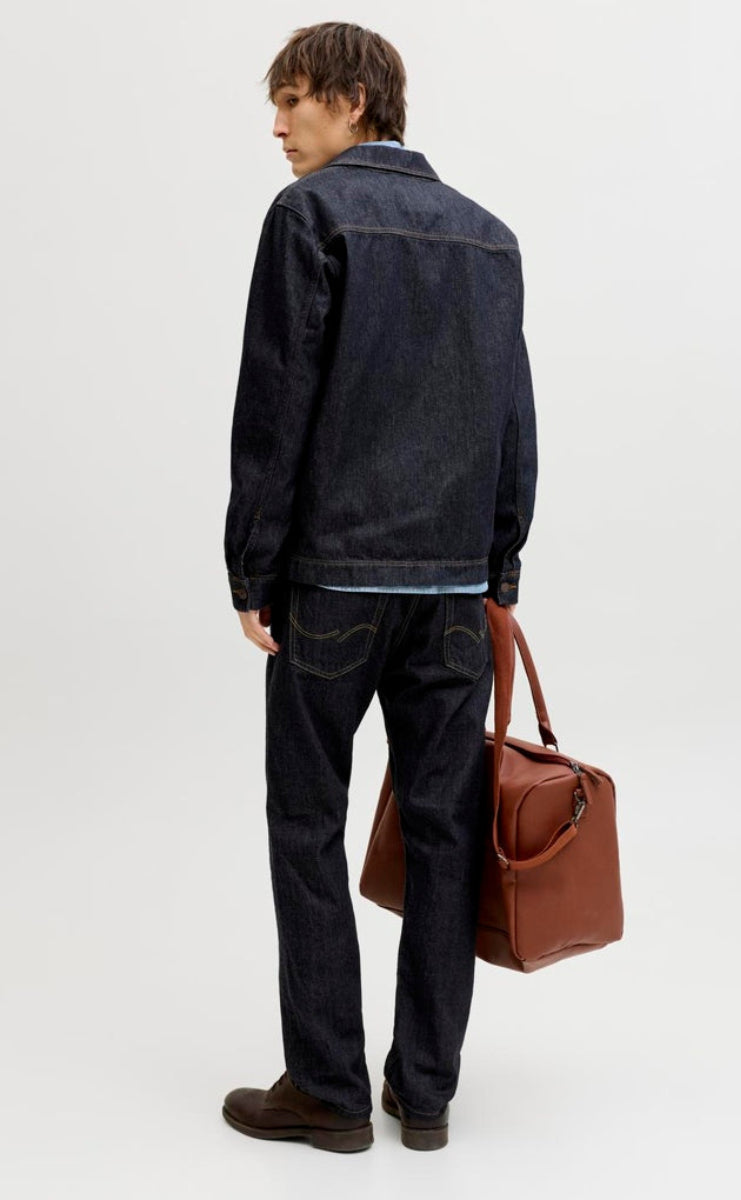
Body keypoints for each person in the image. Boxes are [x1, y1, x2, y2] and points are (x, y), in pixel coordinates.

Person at [221, 21, 538, 1153]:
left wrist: (251, 565)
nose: (277, 125)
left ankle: (329, 1090)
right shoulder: (490, 239)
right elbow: (514, 421)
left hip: (333, 588)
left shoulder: (309, 217)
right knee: (446, 833)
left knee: (307, 822)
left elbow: (277, 405)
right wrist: (500, 567)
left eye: (294, 99)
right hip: (454, 595)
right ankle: (427, 1090)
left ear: (354, 102)